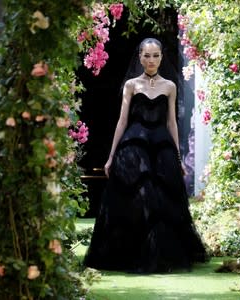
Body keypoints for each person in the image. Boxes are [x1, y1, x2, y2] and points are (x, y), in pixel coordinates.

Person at [83, 38, 208, 273]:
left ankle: (161, 255)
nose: (151, 60)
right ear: (139, 57)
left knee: (163, 201)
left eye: (155, 55)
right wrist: (111, 157)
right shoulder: (131, 85)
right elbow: (122, 121)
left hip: (162, 148)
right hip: (134, 147)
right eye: (146, 55)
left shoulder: (170, 86)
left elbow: (172, 121)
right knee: (136, 198)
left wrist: (179, 159)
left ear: (162, 57)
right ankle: (130, 254)